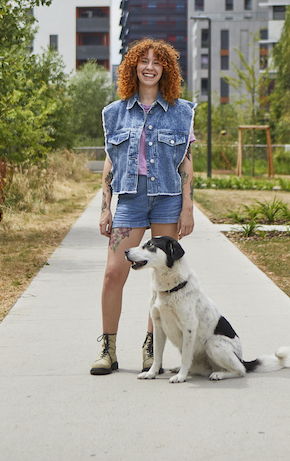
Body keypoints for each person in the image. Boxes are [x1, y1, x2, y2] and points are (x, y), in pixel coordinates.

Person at [90, 38, 196, 375]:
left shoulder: (182, 112)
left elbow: (186, 163)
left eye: (157, 62)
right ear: (133, 67)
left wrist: (188, 207)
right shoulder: (115, 112)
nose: (149, 67)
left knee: (163, 278)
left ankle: (152, 350)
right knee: (112, 274)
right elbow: (111, 163)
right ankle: (108, 349)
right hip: (130, 201)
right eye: (143, 61)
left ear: (166, 69)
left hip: (167, 200)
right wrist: (106, 208)